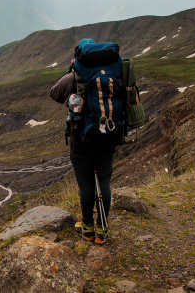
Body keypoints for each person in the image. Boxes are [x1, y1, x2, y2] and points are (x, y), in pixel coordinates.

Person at [50, 38, 125, 244]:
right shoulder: (116, 70)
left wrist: (69, 73)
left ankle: (87, 227)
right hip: (109, 134)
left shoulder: (74, 76)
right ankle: (102, 229)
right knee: (104, 181)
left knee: (86, 186)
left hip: (81, 138)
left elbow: (54, 94)